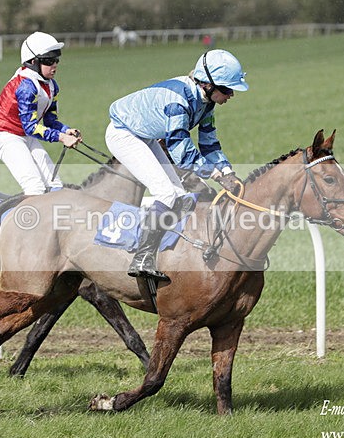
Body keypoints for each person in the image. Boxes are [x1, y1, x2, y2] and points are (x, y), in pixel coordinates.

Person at [105, 49, 248, 281]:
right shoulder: (178, 102)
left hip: (146, 136)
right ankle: (141, 258)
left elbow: (209, 143)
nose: (230, 95)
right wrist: (215, 174)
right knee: (165, 194)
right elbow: (180, 150)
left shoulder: (207, 104)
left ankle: (167, 252)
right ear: (208, 85)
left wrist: (227, 171)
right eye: (226, 89)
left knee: (181, 197)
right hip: (124, 134)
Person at [0, 31, 81, 195]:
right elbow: (31, 127)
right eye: (49, 61)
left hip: (26, 134)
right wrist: (61, 137)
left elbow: (50, 121)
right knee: (35, 187)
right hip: (6, 136)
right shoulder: (26, 87)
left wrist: (66, 130)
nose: (54, 65)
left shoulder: (52, 86)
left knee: (55, 184)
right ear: (33, 62)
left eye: (56, 60)